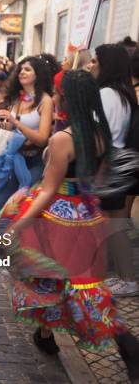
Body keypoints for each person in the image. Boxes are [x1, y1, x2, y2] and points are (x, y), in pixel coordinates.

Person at [0, 70, 139, 382]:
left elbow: (47, 189)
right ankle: (46, 336)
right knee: (63, 280)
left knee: (68, 281)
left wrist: (17, 226)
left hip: (59, 217)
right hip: (87, 213)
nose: (54, 98)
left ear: (66, 99)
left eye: (58, 93)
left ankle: (126, 341)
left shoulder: (62, 139)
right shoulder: (100, 133)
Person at [90, 43, 139, 297]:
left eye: (95, 61)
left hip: (109, 163)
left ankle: (127, 278)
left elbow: (100, 136)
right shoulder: (121, 93)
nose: (91, 65)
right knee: (115, 223)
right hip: (118, 162)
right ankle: (123, 276)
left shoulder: (107, 94)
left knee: (115, 225)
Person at [0, 56, 53, 218]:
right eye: (21, 69)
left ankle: (16, 242)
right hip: (14, 158)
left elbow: (42, 138)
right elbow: (14, 128)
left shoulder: (45, 101)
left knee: (19, 207)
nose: (22, 72)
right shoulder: (18, 98)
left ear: (38, 75)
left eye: (28, 69)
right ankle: (2, 241)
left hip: (35, 162)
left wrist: (15, 122)